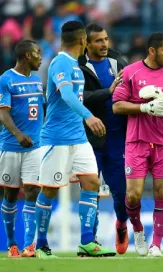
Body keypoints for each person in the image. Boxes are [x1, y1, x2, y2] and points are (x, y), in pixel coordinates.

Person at [34, 21, 115, 258]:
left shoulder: (75, 66)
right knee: (49, 190)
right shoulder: (60, 62)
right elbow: (67, 95)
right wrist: (89, 117)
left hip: (78, 140)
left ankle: (87, 241)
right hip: (57, 139)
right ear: (82, 41)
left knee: (91, 183)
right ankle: (41, 245)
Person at [112, 32, 163, 257]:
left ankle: (156, 245)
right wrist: (143, 108)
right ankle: (138, 230)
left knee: (162, 192)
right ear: (152, 51)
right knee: (133, 195)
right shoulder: (131, 72)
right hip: (136, 141)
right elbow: (117, 106)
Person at [78, 23, 128, 254]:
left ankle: (121, 224)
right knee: (91, 190)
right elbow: (79, 97)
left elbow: (132, 89)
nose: (104, 44)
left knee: (122, 192)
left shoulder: (118, 62)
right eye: (98, 40)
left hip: (118, 137)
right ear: (86, 43)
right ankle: (90, 239)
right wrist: (106, 93)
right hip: (90, 138)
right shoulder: (78, 66)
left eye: (106, 39)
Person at [0, 40, 44, 258]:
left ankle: (29, 246)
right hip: (10, 146)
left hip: (35, 147)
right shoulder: (5, 80)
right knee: (9, 194)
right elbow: (3, 113)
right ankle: (11, 244)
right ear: (27, 55)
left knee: (33, 191)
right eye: (38, 53)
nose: (41, 57)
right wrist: (18, 134)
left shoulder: (37, 81)